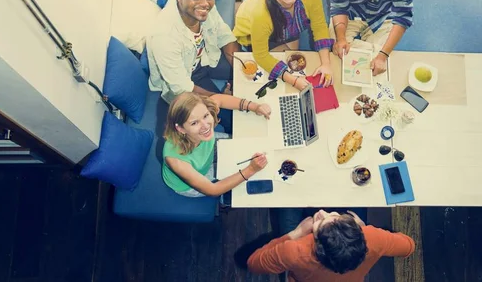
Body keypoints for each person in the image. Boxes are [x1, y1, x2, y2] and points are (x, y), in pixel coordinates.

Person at [147, 0, 241, 133]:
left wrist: (241, 70)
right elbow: (182, 88)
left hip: (205, 57)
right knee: (234, 116)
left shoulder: (203, 9)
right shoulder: (164, 36)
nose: (205, 4)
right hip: (186, 80)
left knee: (251, 76)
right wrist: (225, 99)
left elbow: (225, 36)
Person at [233, 0, 334, 91]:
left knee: (293, 60)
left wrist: (326, 64)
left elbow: (320, 26)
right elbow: (261, 55)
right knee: (280, 75)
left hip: (287, 30)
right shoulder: (260, 14)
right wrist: (294, 81)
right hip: (252, 33)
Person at [247, 209, 415, 281]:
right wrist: (364, 228)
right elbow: (409, 246)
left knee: (286, 204)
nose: (321, 212)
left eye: (319, 222)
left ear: (317, 242)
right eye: (333, 216)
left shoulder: (294, 251)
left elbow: (253, 263)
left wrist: (296, 233)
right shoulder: (372, 237)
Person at [163, 92, 272, 197]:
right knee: (241, 173)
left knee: (244, 146)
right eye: (194, 123)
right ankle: (226, 198)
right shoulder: (175, 160)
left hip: (207, 149)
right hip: (193, 180)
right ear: (181, 129)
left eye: (205, 116)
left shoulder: (201, 111)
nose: (205, 126)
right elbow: (213, 190)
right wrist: (251, 169)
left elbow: (219, 99)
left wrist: (255, 107)